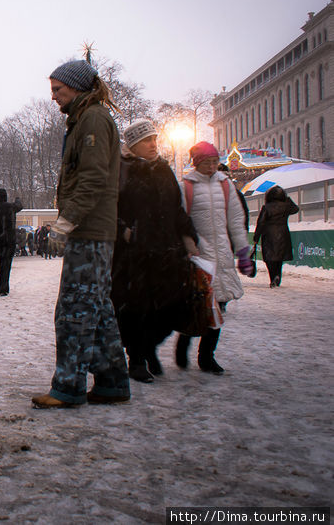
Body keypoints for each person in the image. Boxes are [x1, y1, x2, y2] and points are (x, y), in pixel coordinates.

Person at [32, 60, 130, 409]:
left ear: (77, 87)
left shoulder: (91, 120)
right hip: (95, 230)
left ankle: (69, 387)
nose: (54, 97)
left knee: (74, 309)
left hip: (90, 230)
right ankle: (112, 380)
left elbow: (92, 178)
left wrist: (66, 221)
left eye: (59, 90)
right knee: (98, 307)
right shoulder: (86, 119)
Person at [110, 119, 199, 383]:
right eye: (147, 140)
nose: (153, 144)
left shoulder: (163, 170)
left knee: (168, 307)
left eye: (154, 139)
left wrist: (188, 239)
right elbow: (109, 208)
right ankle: (136, 359)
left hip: (167, 252)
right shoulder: (122, 170)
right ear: (134, 144)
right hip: (134, 255)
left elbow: (176, 208)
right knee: (135, 308)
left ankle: (148, 347)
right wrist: (124, 231)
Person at [175, 141, 254, 375]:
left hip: (222, 254)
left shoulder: (226, 185)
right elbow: (179, 221)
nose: (212, 167)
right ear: (196, 163)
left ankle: (207, 356)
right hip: (198, 255)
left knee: (218, 306)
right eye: (207, 162)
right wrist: (187, 248)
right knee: (197, 306)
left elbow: (236, 221)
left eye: (214, 162)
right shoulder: (186, 186)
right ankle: (185, 341)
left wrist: (242, 251)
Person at [253, 185, 299, 288]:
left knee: (269, 259)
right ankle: (277, 276)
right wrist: (288, 200)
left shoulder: (266, 207)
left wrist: (256, 237)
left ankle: (273, 277)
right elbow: (295, 209)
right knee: (279, 259)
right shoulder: (286, 206)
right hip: (283, 233)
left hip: (269, 235)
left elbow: (261, 222)